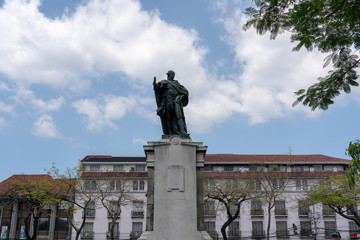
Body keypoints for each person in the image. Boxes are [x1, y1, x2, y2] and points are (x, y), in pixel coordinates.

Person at [153, 70, 190, 139]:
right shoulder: (164, 82)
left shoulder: (176, 83)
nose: (173, 76)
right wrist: (155, 84)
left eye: (174, 74)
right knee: (168, 116)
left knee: (179, 115)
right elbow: (158, 86)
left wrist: (181, 97)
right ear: (169, 75)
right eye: (172, 74)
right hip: (168, 100)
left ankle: (182, 131)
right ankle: (169, 133)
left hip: (176, 100)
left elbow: (185, 91)